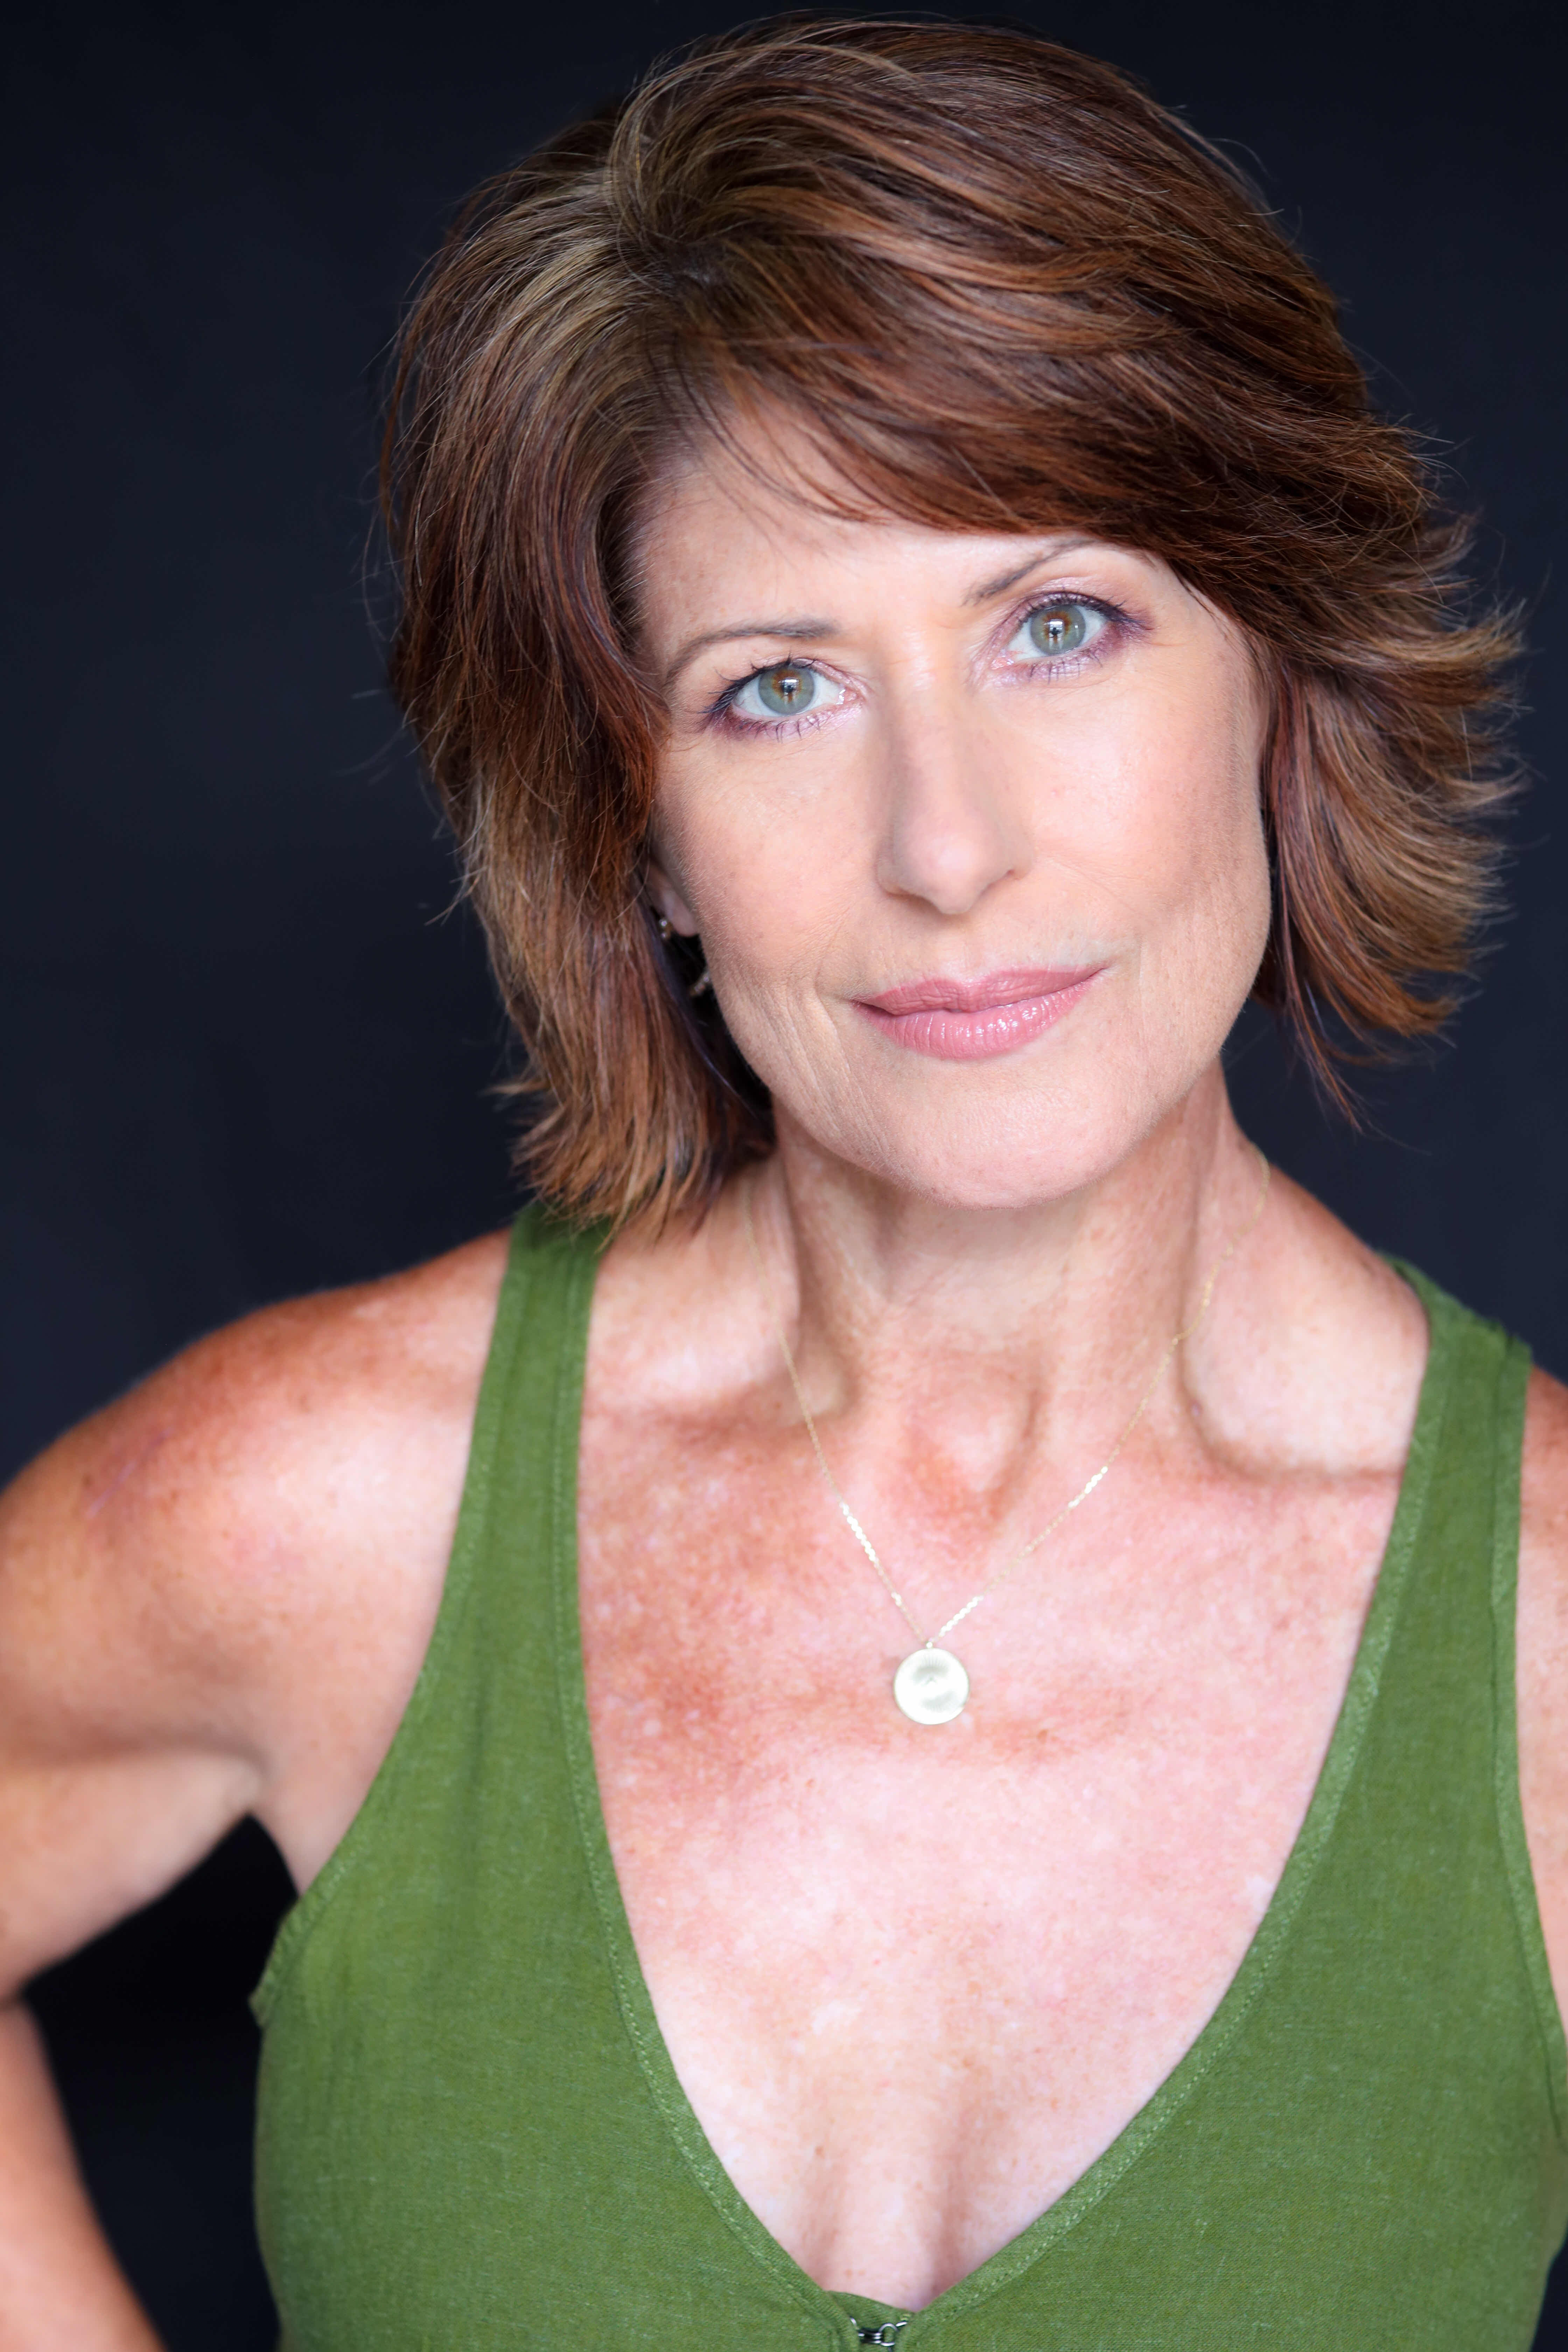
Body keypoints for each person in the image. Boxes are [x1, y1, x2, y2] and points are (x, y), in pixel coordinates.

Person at [3, 15, 1566, 2347]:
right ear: (636, 834)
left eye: (1060, 625)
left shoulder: (1547, 1648)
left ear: (1282, 669)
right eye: (777, 689)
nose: (947, 848)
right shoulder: (325, 1508)